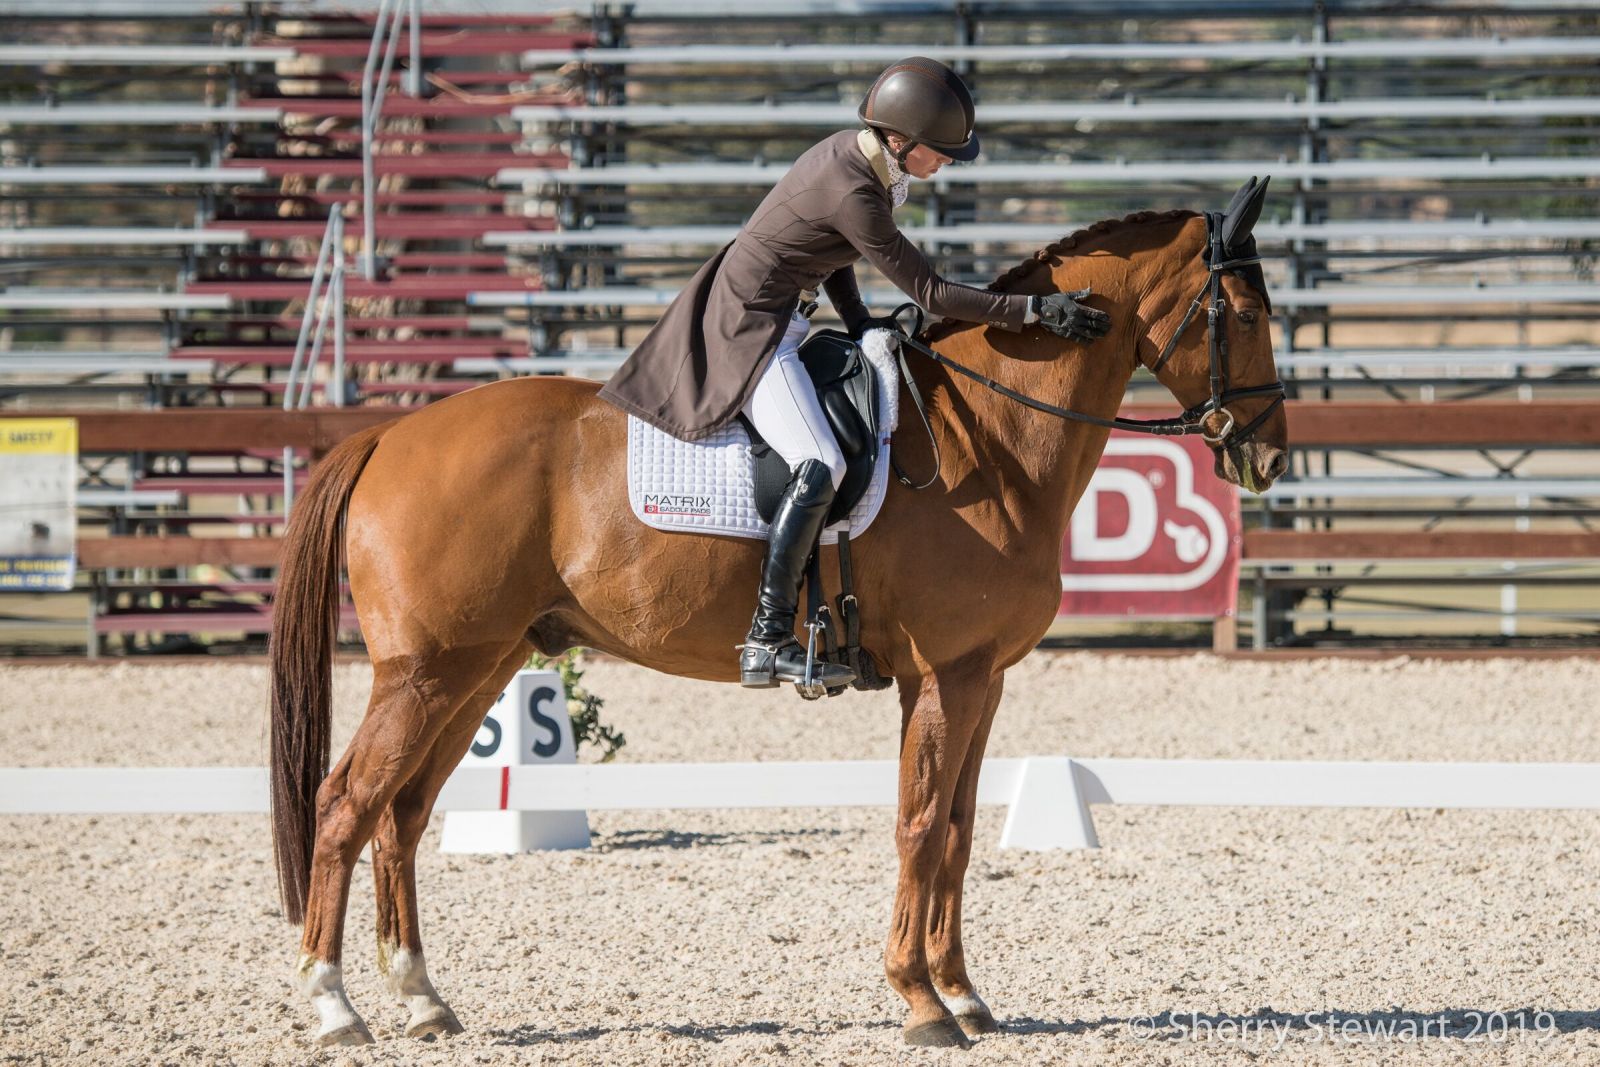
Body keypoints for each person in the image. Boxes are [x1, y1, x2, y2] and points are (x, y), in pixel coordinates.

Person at [599, 57, 1113, 689]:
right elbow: (930, 290)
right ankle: (766, 637)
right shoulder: (854, 188)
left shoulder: (858, 159)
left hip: (784, 317)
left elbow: (832, 252)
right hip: (751, 332)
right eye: (943, 151)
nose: (950, 161)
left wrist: (860, 317)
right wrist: (1032, 310)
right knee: (821, 462)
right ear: (902, 141)